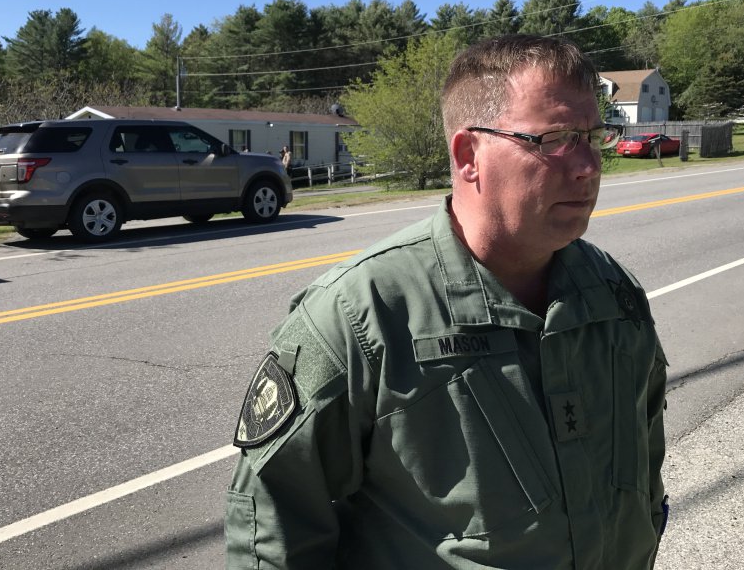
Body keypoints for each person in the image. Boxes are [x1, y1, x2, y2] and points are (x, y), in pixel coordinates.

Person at [225, 34, 669, 569]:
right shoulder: (361, 314)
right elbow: (273, 527)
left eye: (592, 136)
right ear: (468, 156)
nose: (588, 165)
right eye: (553, 138)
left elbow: (645, 469)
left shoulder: (614, 295)